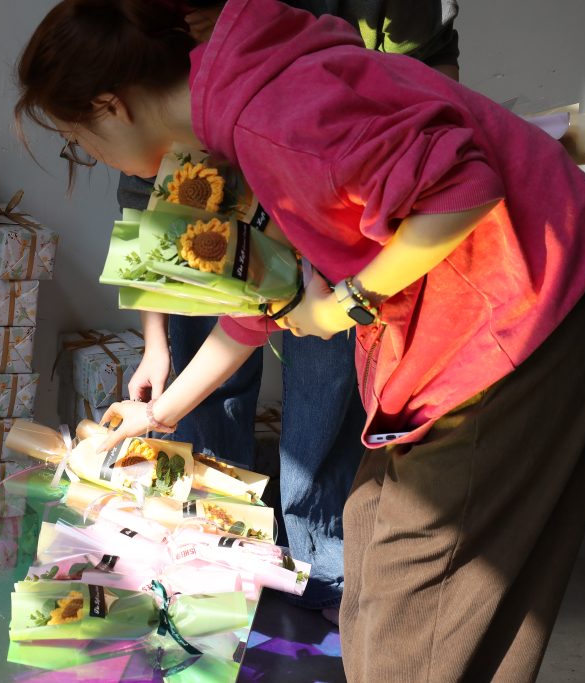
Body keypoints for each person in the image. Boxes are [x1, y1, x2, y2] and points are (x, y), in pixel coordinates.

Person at [15, 0, 585, 679]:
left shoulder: (272, 115)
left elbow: (463, 187)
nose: (94, 157)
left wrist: (346, 305)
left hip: (531, 314)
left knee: (413, 614)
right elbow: (257, 310)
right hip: (480, 326)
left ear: (112, 105)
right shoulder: (238, 104)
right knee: (371, 544)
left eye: (82, 141)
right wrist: (157, 414)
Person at [120, 0, 462, 619]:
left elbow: (462, 182)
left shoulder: (279, 129)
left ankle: (324, 570)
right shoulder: (241, 143)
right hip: (340, 245)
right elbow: (245, 318)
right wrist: (160, 384)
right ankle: (214, 560)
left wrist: (346, 303)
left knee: (332, 399)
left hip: (487, 308)